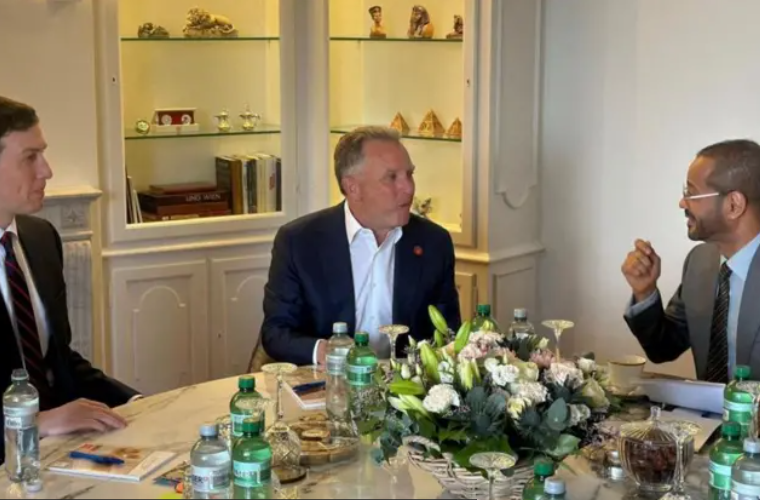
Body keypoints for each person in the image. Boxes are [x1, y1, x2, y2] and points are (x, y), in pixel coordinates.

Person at [0, 96, 139, 463]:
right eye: (30, 157)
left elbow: (60, 361)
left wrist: (139, 404)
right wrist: (37, 422)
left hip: (62, 454)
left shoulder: (41, 238)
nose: (46, 171)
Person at [261, 126, 461, 366]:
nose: (408, 188)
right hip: (331, 378)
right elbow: (276, 333)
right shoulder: (299, 241)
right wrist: (325, 352)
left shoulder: (434, 242)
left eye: (409, 174)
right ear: (353, 187)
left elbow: (448, 333)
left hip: (407, 383)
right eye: (392, 177)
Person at [622, 139, 760, 383]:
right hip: (708, 408)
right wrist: (645, 292)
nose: (682, 203)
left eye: (692, 194)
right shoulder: (700, 261)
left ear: (733, 205)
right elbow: (663, 348)